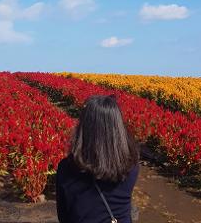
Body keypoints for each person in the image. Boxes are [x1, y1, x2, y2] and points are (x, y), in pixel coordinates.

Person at [56, 94, 139, 223]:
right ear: (118, 128)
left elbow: (64, 216)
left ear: (83, 128)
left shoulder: (66, 169)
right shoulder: (131, 166)